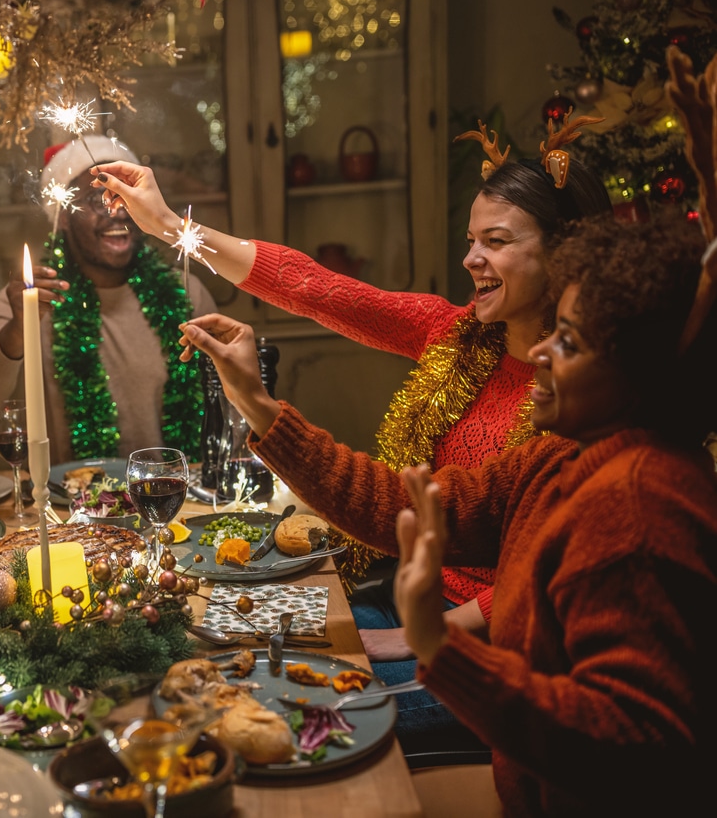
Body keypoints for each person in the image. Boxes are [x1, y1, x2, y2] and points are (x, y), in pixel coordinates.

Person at [94, 120, 610, 753]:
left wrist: (415, 637)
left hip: (487, 645)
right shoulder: (451, 335)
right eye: (471, 239)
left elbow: (544, 572)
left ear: (566, 256)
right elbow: (316, 288)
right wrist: (172, 227)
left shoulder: (580, 399)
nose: (471, 259)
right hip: (404, 596)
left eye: (496, 242)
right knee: (228, 637)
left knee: (268, 706)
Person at [180, 212, 717, 814]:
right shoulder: (565, 457)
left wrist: (436, 643)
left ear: (637, 371)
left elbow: (630, 752)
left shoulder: (639, 510)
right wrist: (257, 403)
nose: (540, 350)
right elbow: (405, 506)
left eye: (568, 340)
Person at [0, 134, 217, 464]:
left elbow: (227, 404)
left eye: (126, 200)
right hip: (71, 508)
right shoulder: (32, 298)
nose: (118, 214)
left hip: (173, 499)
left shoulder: (186, 292)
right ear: (63, 217)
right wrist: (18, 329)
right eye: (99, 200)